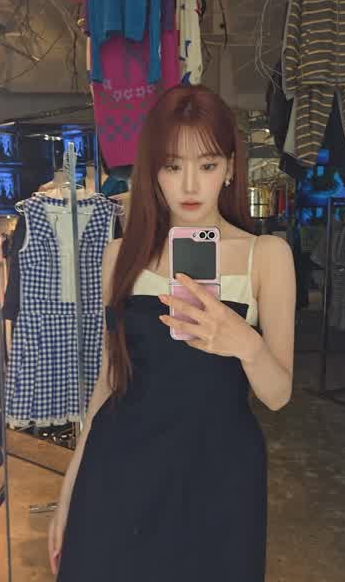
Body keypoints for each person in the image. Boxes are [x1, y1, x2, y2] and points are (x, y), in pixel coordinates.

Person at [48, 85, 296, 581]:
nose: (190, 184)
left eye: (207, 165)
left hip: (219, 478)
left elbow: (278, 394)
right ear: (152, 171)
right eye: (171, 166)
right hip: (120, 468)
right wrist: (68, 492)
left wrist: (244, 343)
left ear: (230, 168)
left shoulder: (265, 256)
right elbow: (108, 381)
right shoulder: (120, 256)